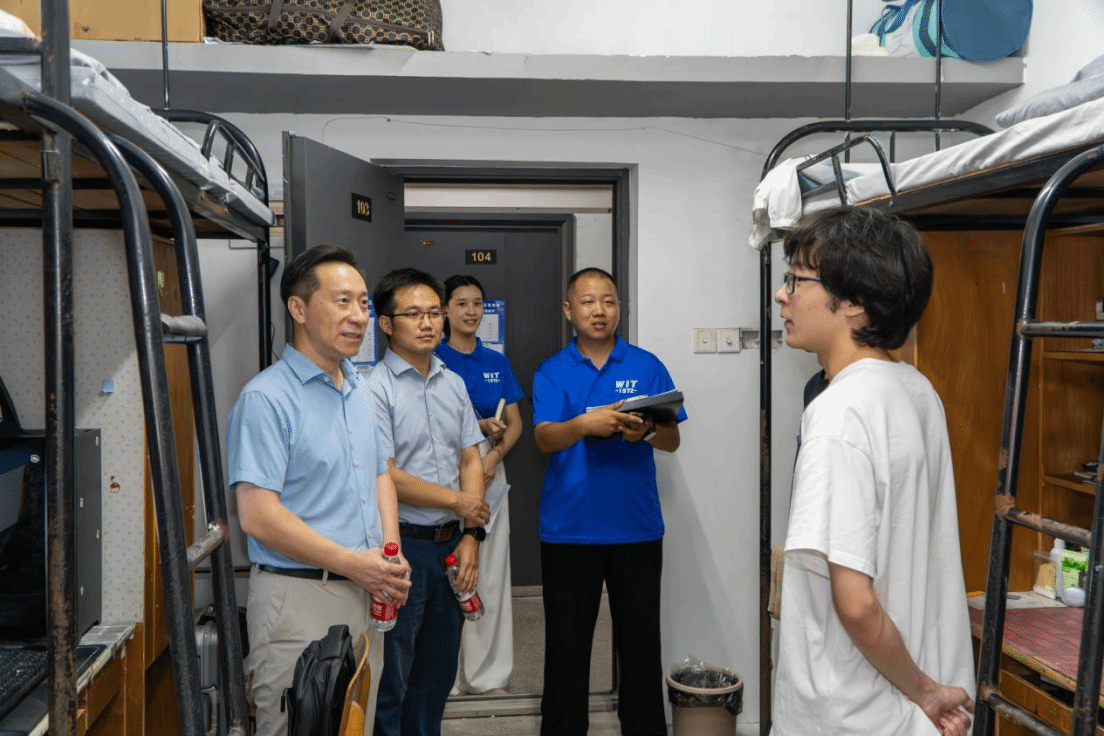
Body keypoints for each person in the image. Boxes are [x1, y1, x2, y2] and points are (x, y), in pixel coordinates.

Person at [771, 208, 975, 736]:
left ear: (855, 302)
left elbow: (856, 605)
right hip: (912, 702)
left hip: (854, 711)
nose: (781, 295)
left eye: (796, 279)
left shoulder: (839, 414)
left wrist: (925, 692)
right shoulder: (915, 389)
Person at [226, 245, 411, 736]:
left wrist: (390, 555)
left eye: (364, 304)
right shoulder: (266, 398)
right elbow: (257, 516)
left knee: (356, 725)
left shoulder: (360, 389)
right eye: (343, 301)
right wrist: (354, 563)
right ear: (299, 308)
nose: (359, 316)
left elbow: (380, 474)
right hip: (300, 598)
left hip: (366, 591)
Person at [532, 266, 686, 736]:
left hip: (635, 528)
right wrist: (585, 424)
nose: (599, 310)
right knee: (566, 647)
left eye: (609, 301)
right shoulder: (551, 370)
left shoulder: (646, 365)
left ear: (619, 307)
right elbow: (544, 439)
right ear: (568, 310)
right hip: (568, 529)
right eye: (587, 301)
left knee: (640, 647)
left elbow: (672, 440)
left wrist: (646, 431)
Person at [368, 268, 488, 736]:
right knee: (393, 675)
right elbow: (387, 474)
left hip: (452, 546)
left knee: (437, 673)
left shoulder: (452, 382)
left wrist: (471, 534)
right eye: (414, 313)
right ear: (386, 323)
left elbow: (470, 458)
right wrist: (460, 502)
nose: (428, 323)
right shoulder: (374, 388)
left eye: (435, 313)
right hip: (404, 547)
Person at [435, 274, 525, 695]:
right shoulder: (433, 357)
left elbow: (515, 423)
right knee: (445, 570)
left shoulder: (496, 362)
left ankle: (487, 675)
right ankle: (446, 679)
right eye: (462, 303)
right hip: (441, 472)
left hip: (490, 470)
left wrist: (491, 459)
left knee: (488, 570)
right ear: (445, 310)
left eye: (477, 303)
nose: (471, 311)